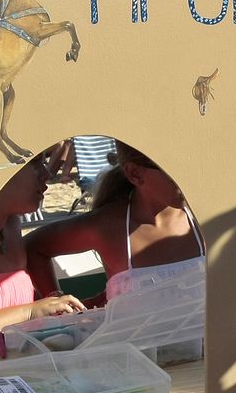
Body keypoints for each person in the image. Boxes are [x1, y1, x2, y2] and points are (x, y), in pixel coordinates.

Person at [23, 142, 204, 357]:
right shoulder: (107, 226)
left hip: (206, 370)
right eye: (174, 170)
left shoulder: (205, 215)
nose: (189, 176)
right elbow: (34, 247)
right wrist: (58, 303)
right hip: (138, 375)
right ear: (135, 173)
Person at [0, 155, 86, 338]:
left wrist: (52, 306)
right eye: (35, 163)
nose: (46, 173)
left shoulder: (12, 225)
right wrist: (30, 312)